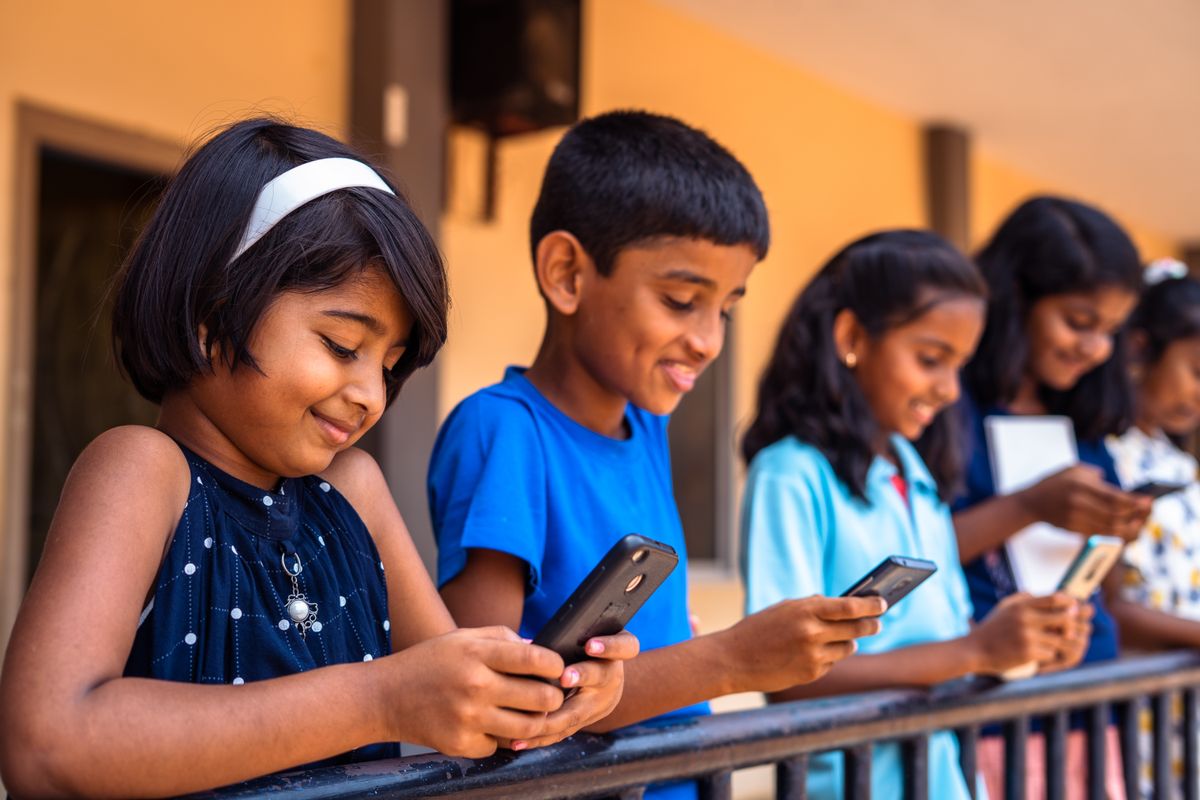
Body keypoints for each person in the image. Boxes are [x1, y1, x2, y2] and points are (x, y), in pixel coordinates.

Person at [0, 118, 636, 798]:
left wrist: (551, 692)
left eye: (389, 367)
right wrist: (379, 699)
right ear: (209, 317)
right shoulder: (143, 473)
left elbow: (458, 690)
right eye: (340, 345)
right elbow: (47, 743)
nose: (369, 395)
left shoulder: (353, 492)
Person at [428, 110, 885, 799]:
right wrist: (729, 660)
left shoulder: (646, 426)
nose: (708, 340)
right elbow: (497, 707)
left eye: (726, 309)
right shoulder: (503, 433)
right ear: (567, 274)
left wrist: (698, 651)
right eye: (680, 301)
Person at [740, 230, 1091, 799]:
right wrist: (974, 650)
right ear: (852, 337)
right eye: (930, 359)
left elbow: (944, 648)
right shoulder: (791, 474)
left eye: (959, 365)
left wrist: (1021, 648)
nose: (951, 389)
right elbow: (782, 676)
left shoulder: (917, 473)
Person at [921, 195, 1152, 798]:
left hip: (1089, 701)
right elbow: (915, 551)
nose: (1095, 348)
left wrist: (1115, 526)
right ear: (1016, 299)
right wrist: (1027, 507)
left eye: (1109, 331)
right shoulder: (942, 407)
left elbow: (1104, 582)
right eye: (1079, 321)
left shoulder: (1083, 419)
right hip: (988, 710)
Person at [1105, 264, 1200, 798]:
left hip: (1185, 702)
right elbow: (1113, 606)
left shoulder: (1178, 464)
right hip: (1134, 710)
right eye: (1196, 371)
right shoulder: (1106, 460)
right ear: (1140, 351)